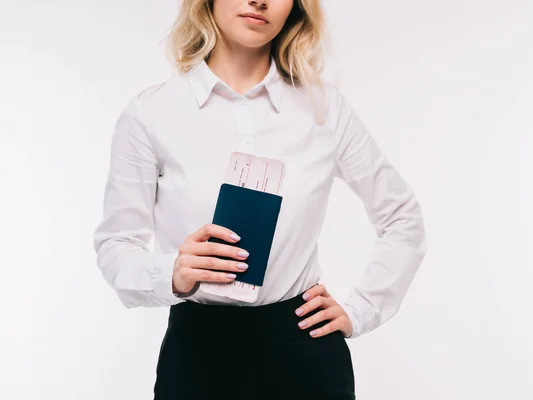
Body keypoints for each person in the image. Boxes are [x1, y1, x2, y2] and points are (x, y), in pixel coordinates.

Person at [92, 0, 427, 398]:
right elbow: (116, 245)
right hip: (198, 353)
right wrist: (173, 273)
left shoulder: (325, 109)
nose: (260, 0)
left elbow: (402, 218)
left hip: (304, 349)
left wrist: (362, 310)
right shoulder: (151, 113)